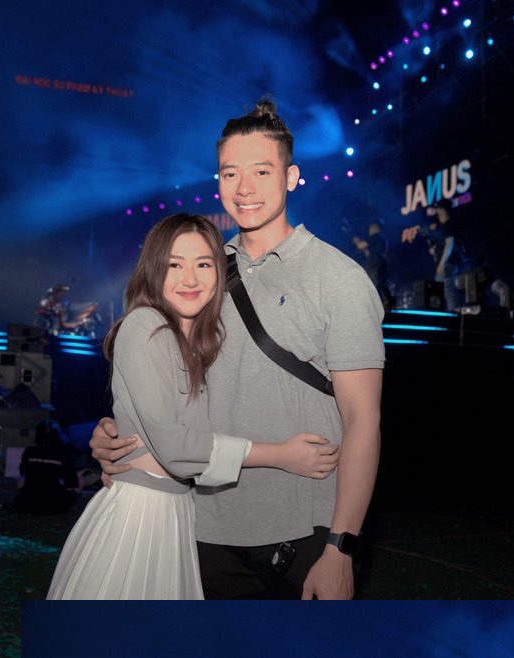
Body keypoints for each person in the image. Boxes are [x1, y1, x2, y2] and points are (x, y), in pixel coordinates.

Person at [90, 99, 385, 600]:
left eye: (261, 171)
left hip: (304, 530)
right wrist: (120, 435)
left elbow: (363, 420)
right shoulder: (200, 272)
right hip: (202, 527)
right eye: (230, 173)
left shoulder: (340, 279)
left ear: (291, 177)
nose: (244, 188)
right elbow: (162, 376)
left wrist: (342, 546)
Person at [46, 213, 341, 600]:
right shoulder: (145, 325)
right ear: (153, 270)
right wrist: (281, 455)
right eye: (174, 265)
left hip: (179, 511)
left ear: (219, 273)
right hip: (141, 514)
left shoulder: (195, 340)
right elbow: (176, 449)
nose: (190, 279)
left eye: (203, 264)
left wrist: (117, 431)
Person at [14, 419, 85, 515]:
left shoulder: (29, 451)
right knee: (82, 480)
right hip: (55, 505)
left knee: (21, 480)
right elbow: (70, 487)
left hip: (26, 503)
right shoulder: (64, 455)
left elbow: (23, 473)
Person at [352, 221, 393, 310]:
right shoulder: (381, 239)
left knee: (374, 292)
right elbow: (369, 254)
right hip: (380, 267)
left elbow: (360, 246)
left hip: (375, 268)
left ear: (374, 227)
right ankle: (387, 306)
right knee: (379, 289)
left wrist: (357, 241)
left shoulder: (376, 236)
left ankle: (377, 311)